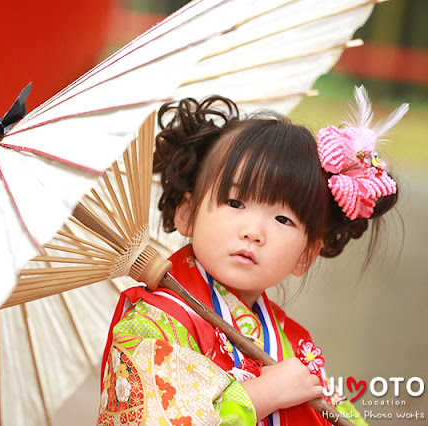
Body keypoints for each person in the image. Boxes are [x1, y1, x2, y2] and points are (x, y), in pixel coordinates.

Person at [96, 87, 408, 425]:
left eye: (283, 219)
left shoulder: (291, 343)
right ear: (187, 212)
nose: (254, 231)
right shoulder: (150, 328)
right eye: (235, 203)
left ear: (306, 254)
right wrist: (259, 397)